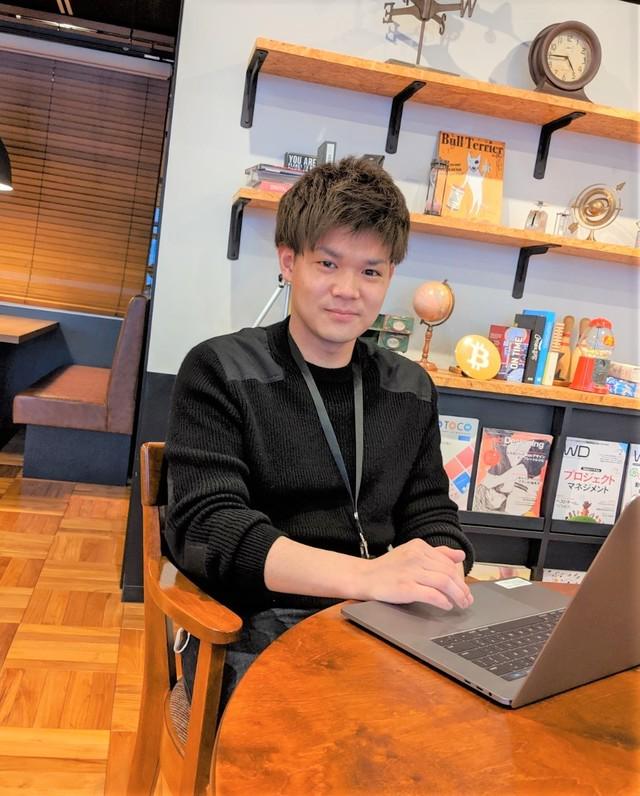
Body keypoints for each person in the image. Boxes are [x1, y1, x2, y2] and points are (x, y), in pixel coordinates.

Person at [165, 157, 475, 708]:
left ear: (389, 278)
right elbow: (208, 530)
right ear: (289, 262)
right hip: (250, 627)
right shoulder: (220, 369)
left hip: (378, 624)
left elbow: (429, 511)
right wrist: (368, 577)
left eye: (371, 272)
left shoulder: (410, 387)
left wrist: (441, 564)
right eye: (328, 264)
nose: (348, 290)